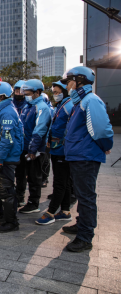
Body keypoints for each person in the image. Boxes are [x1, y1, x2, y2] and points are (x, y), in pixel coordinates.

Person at [60, 66, 113, 252]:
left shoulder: (90, 100)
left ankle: (85, 237)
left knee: (86, 197)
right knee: (82, 196)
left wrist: (106, 146)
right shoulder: (80, 101)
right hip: (78, 156)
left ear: (79, 81)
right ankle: (81, 224)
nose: (67, 85)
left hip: (85, 157)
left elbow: (101, 129)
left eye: (69, 81)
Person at [0, 81, 24, 232]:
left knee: (6, 190)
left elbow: (7, 140)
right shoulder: (0, 110)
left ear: (0, 96)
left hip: (6, 158)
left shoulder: (7, 112)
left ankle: (11, 222)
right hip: (0, 156)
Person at [35, 80, 74, 225]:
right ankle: (65, 211)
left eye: (58, 92)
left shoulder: (68, 105)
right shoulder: (61, 105)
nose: (55, 95)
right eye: (54, 92)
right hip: (58, 148)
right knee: (65, 181)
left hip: (63, 150)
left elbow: (70, 127)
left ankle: (50, 213)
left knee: (59, 182)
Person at [15, 79, 52, 213]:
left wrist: (33, 149)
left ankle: (33, 203)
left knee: (34, 176)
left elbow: (39, 130)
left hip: (34, 150)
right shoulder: (27, 106)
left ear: (37, 92)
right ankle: (19, 197)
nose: (25, 95)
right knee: (20, 174)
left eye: (28, 93)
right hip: (23, 147)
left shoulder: (42, 107)